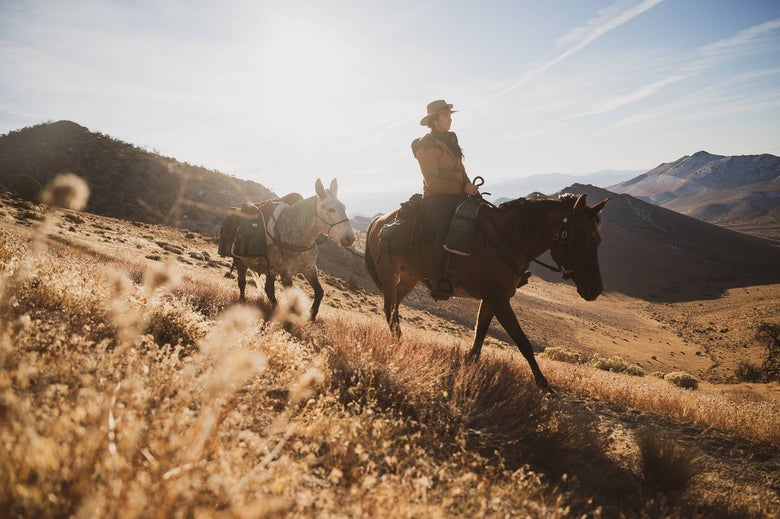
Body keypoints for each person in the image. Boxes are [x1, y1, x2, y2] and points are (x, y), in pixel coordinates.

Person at [411, 99, 480, 300]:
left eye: (450, 116)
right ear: (434, 120)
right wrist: (462, 187)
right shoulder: (426, 146)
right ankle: (439, 279)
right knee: (443, 231)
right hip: (437, 198)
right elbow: (432, 182)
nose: (450, 119)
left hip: (459, 192)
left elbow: (461, 168)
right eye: (445, 116)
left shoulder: (450, 138)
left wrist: (469, 187)